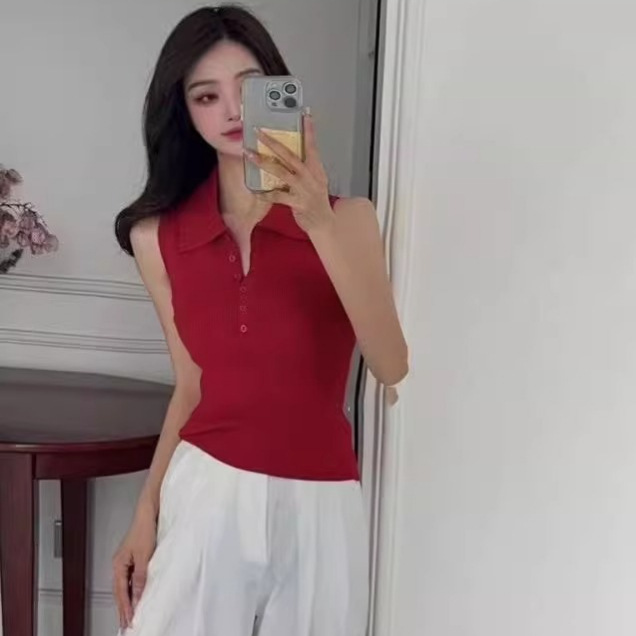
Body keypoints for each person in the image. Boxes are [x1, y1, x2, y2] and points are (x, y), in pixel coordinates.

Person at [112, 4, 408, 635]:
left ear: (280, 91)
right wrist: (145, 513)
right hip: (208, 490)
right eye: (206, 96)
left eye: (249, 90)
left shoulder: (349, 219)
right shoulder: (157, 236)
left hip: (321, 501)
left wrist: (317, 222)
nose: (232, 111)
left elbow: (390, 364)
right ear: (184, 112)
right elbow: (191, 385)